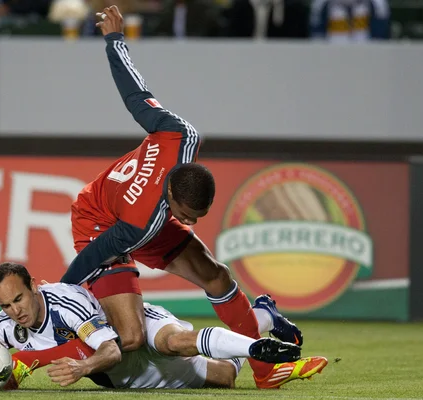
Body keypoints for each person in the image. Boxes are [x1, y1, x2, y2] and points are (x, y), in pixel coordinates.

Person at [59, 4, 326, 388]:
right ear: (171, 193)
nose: (192, 223)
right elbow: (91, 256)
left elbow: (137, 96)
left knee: (216, 276)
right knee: (131, 338)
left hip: (147, 213)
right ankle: (262, 319)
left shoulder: (181, 135)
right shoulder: (140, 221)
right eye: (187, 215)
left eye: (198, 216)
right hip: (101, 219)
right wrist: (56, 296)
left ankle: (265, 373)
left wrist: (116, 41)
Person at [0, 262, 315, 391]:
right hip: (121, 376)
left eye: (19, 299)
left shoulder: (65, 304)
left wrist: (80, 369)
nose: (14, 312)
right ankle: (262, 316)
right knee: (224, 378)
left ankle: (255, 346)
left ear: (34, 286)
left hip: (130, 324)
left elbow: (115, 347)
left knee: (175, 342)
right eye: (5, 305)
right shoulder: (5, 325)